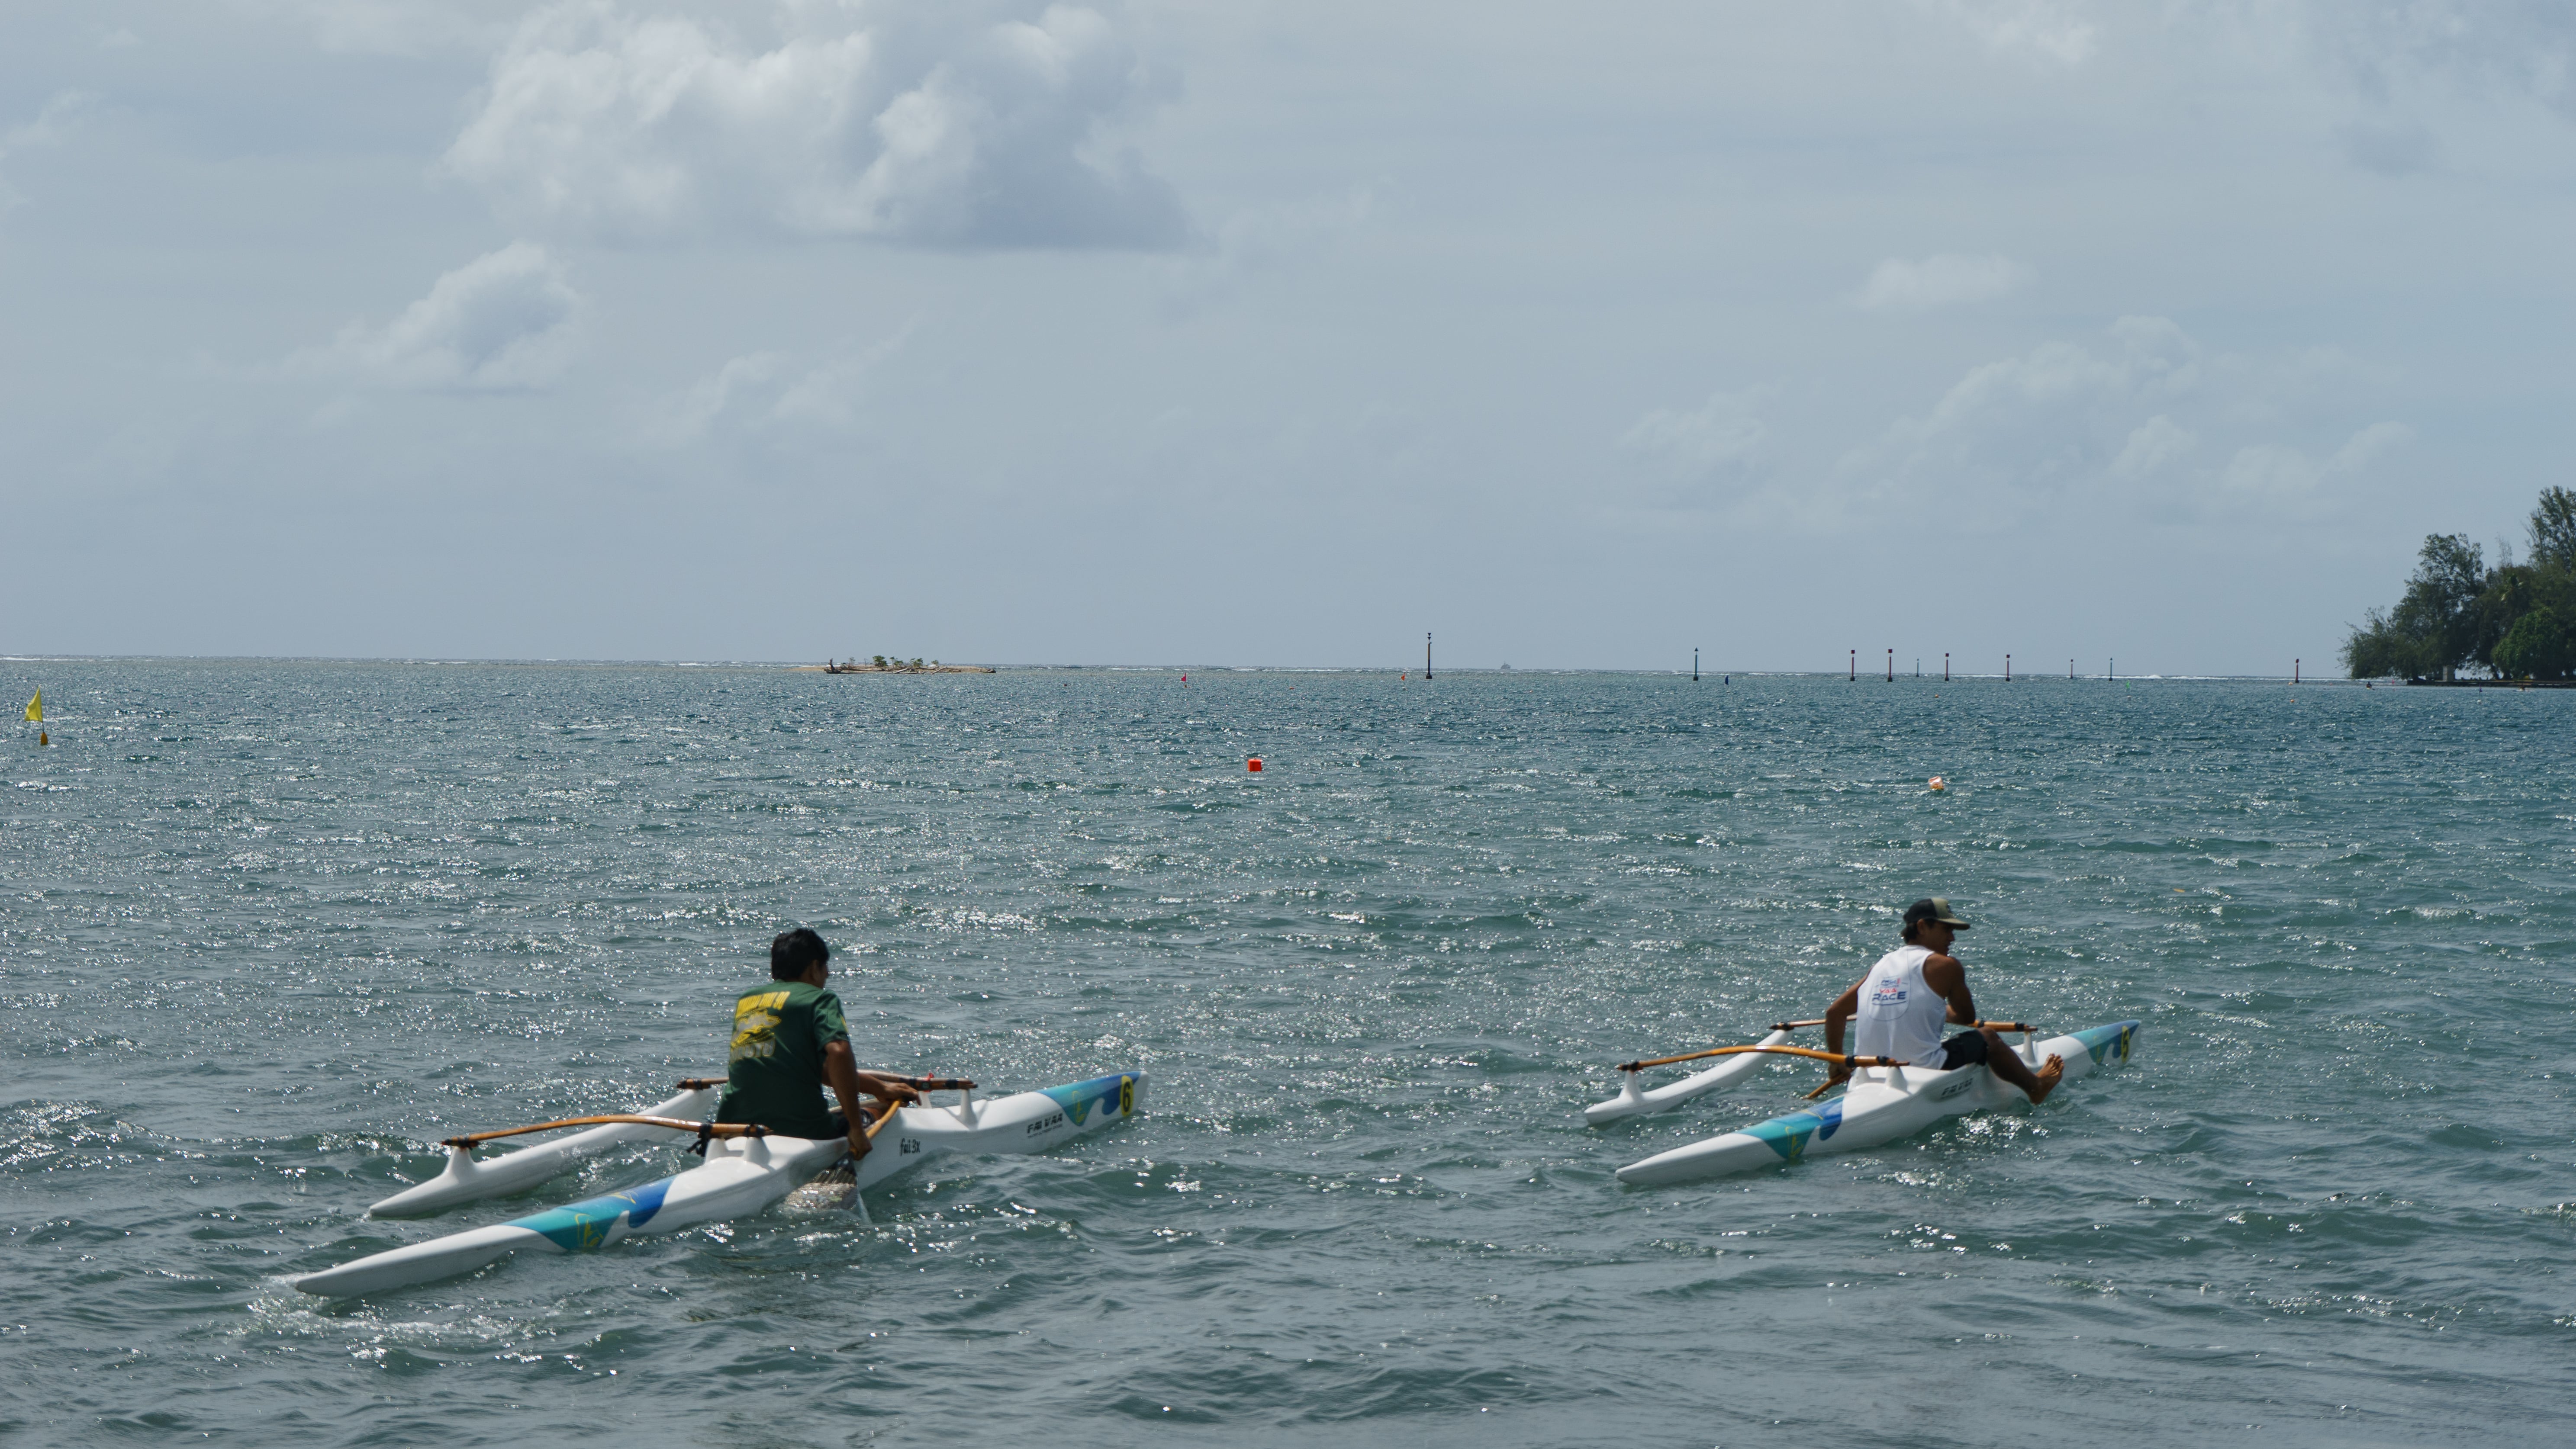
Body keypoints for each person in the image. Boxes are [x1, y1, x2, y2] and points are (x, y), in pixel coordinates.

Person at [716, 928, 928, 1159]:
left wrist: (882, 1088)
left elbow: (819, 1070)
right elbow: (838, 1053)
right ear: (814, 968)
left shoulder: (747, 1000)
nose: (827, 975)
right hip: (801, 1130)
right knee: (878, 1111)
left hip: (732, 1128)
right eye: (826, 968)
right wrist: (857, 1130)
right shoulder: (819, 998)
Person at [1822, 897, 2062, 1102]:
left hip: (1868, 1070)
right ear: (1922, 926)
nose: (1952, 939)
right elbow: (1966, 1017)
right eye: (1946, 930)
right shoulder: (1946, 966)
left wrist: (1837, 1063)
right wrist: (1940, 1010)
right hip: (1925, 1068)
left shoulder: (1880, 966)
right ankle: (2036, 1088)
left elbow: (1835, 1013)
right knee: (1988, 1036)